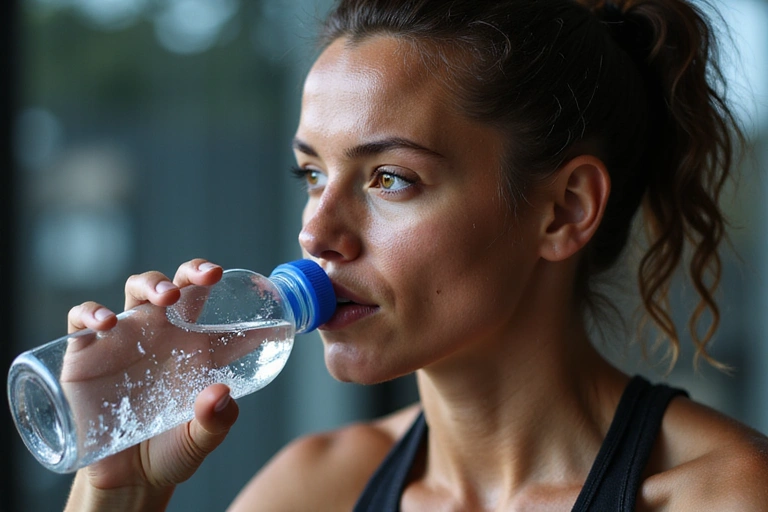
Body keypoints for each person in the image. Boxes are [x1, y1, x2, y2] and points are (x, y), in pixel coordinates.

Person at [64, 0, 768, 510]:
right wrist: (117, 493)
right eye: (311, 174)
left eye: (389, 178)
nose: (316, 232)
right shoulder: (314, 490)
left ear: (565, 210)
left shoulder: (724, 493)